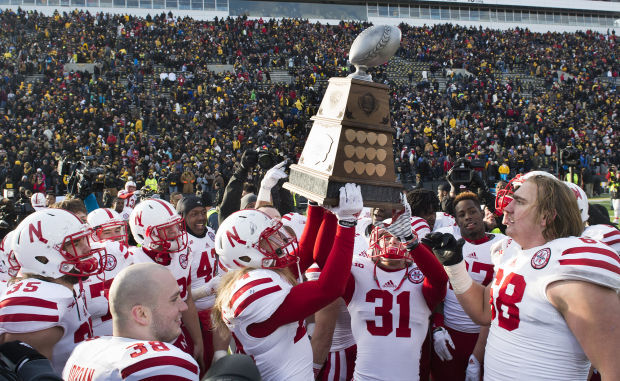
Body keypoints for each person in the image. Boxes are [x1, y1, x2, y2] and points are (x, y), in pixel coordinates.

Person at [424, 174, 620, 380]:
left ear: (546, 216)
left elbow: (613, 369)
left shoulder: (571, 268)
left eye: (519, 202)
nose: (507, 208)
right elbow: (482, 311)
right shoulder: (513, 253)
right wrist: (455, 265)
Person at [211, 184, 361, 381]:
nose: (280, 240)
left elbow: (305, 254)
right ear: (246, 254)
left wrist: (318, 208)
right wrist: (347, 224)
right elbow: (329, 289)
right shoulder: (253, 289)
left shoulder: (257, 272)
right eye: (268, 239)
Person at [337, 197, 448, 381]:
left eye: (398, 238)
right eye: (385, 238)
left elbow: (440, 280)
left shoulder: (420, 274)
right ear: (373, 243)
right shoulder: (359, 269)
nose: (392, 243)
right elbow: (324, 259)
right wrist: (341, 221)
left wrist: (410, 241)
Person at [0, 209, 104, 373]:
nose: (87, 249)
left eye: (85, 239)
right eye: (75, 244)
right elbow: (32, 375)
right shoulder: (33, 303)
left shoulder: (61, 287)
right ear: (43, 257)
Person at [62, 263, 199, 380]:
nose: (184, 307)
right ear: (141, 314)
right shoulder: (162, 364)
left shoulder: (84, 351)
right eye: (174, 299)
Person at [430, 192, 504, 381]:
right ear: (456, 221)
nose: (468, 217)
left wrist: (478, 353)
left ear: (481, 213)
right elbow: (436, 287)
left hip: (486, 336)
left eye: (472, 211)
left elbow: (496, 301)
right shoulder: (447, 240)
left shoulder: (503, 245)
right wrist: (438, 326)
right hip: (450, 332)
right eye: (461, 214)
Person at [127, 199, 204, 370]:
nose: (174, 232)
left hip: (179, 333)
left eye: (175, 226)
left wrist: (198, 340)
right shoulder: (132, 261)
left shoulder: (183, 253)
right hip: (148, 343)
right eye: (166, 229)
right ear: (143, 234)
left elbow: (187, 300)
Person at [176, 196, 228, 370]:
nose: (200, 218)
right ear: (183, 217)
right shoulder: (178, 243)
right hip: (191, 314)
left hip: (214, 308)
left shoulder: (211, 233)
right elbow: (177, 290)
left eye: (203, 212)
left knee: (217, 358)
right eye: (194, 214)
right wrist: (205, 290)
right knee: (200, 361)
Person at [84, 208, 133, 336]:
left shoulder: (132, 254)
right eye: (107, 232)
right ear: (92, 235)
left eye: (117, 230)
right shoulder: (80, 264)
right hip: (95, 334)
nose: (115, 236)